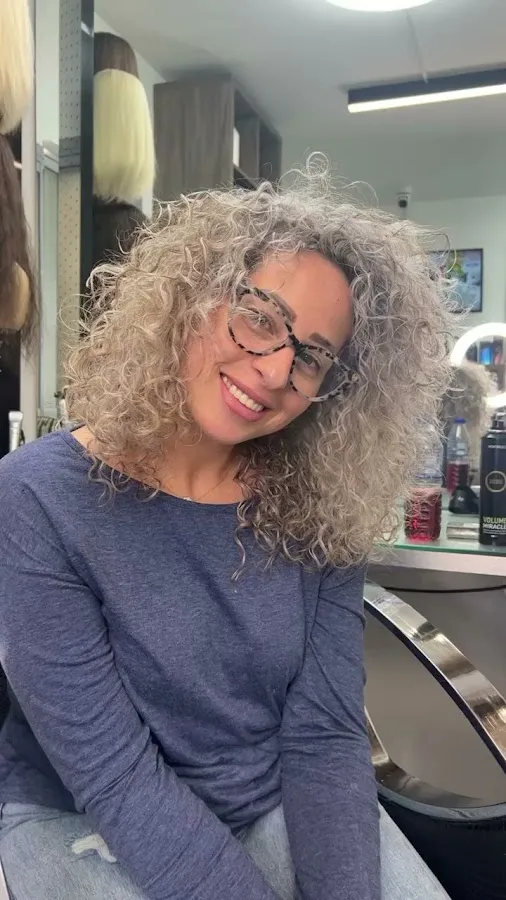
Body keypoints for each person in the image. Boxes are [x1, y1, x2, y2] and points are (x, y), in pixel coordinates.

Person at [0, 169, 453, 900]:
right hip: (83, 814)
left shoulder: (320, 507)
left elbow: (325, 737)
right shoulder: (37, 497)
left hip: (267, 800)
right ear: (192, 299)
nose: (275, 371)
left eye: (311, 356)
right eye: (261, 318)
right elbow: (111, 772)